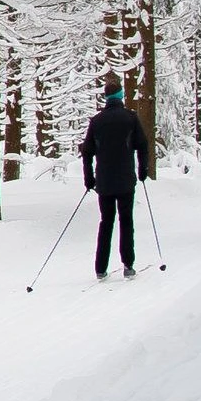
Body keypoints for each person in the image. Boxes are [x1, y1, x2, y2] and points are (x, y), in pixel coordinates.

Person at [77, 79, 152, 279]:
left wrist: (89, 178)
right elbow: (143, 145)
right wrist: (143, 170)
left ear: (106, 97)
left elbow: (87, 152)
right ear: (120, 96)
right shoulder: (130, 118)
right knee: (126, 221)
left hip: (104, 182)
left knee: (106, 222)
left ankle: (100, 268)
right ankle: (128, 265)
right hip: (126, 180)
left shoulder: (97, 121)